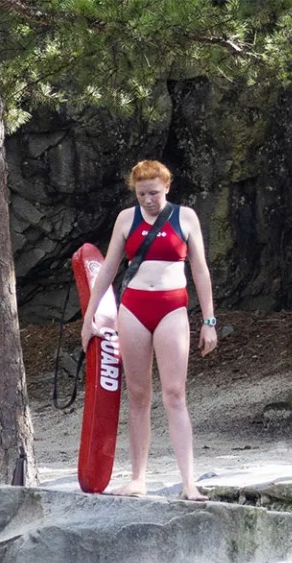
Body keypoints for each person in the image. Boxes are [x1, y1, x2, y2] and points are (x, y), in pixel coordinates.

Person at [78, 159, 219, 500]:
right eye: (142, 194)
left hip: (172, 308)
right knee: (138, 395)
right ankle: (138, 477)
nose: (149, 200)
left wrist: (209, 320)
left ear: (167, 187)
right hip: (134, 308)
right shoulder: (126, 219)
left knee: (175, 393)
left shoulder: (185, 217)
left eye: (154, 193)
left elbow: (199, 270)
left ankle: (188, 482)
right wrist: (90, 316)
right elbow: (109, 267)